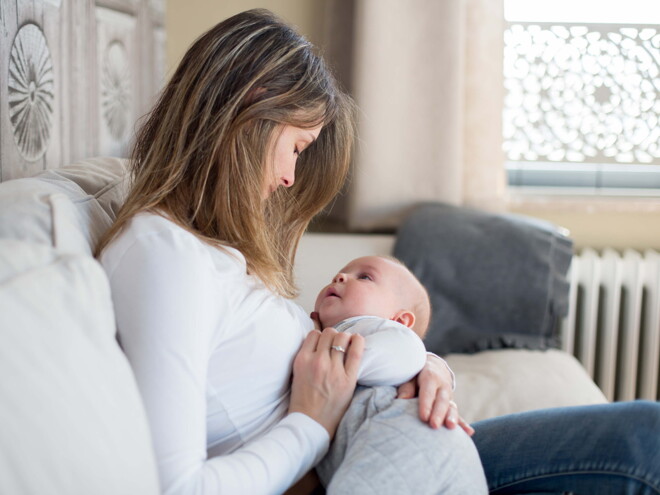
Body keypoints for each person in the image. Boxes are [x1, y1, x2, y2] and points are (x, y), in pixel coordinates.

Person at [97, 8, 660, 495]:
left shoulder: (204, 251)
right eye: (296, 146)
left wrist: (428, 364)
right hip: (352, 463)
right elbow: (178, 487)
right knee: (645, 448)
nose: (291, 177)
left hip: (373, 444)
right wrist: (312, 424)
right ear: (254, 103)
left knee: (646, 434)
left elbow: (361, 346)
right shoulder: (161, 255)